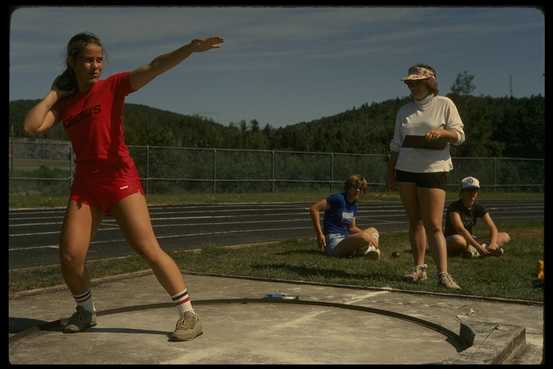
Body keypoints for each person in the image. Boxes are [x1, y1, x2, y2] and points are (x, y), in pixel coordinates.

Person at [23, 32, 224, 341]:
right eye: (88, 60)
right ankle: (86, 312)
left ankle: (189, 315)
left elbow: (155, 66)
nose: (95, 66)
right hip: (86, 187)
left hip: (120, 181)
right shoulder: (66, 104)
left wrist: (190, 49)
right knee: (70, 256)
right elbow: (31, 126)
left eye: (99, 60)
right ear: (72, 62)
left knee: (147, 248)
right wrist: (53, 93)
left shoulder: (113, 86)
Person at [386, 64, 465, 289]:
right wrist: (390, 171)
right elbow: (396, 144)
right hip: (406, 170)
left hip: (434, 170)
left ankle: (443, 273)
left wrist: (442, 133)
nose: (412, 86)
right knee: (415, 221)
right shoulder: (403, 110)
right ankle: (419, 269)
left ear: (429, 82)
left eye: (417, 82)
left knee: (434, 224)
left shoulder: (445, 104)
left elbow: (459, 135)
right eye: (410, 83)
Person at [309, 175, 381, 259]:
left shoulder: (354, 205)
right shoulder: (338, 198)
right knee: (364, 237)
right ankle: (369, 250)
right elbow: (314, 209)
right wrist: (319, 234)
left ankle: (369, 251)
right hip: (334, 241)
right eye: (355, 187)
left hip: (346, 238)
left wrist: (369, 236)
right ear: (348, 187)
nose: (358, 190)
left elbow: (352, 228)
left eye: (361, 189)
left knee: (373, 230)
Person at [444, 176, 511, 257]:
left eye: (475, 190)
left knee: (505, 236)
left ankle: (477, 250)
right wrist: (478, 247)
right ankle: (479, 249)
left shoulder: (478, 207)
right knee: (459, 240)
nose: (472, 193)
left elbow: (492, 227)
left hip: (470, 239)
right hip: (453, 239)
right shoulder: (454, 207)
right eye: (469, 190)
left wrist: (493, 244)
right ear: (462, 192)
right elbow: (460, 229)